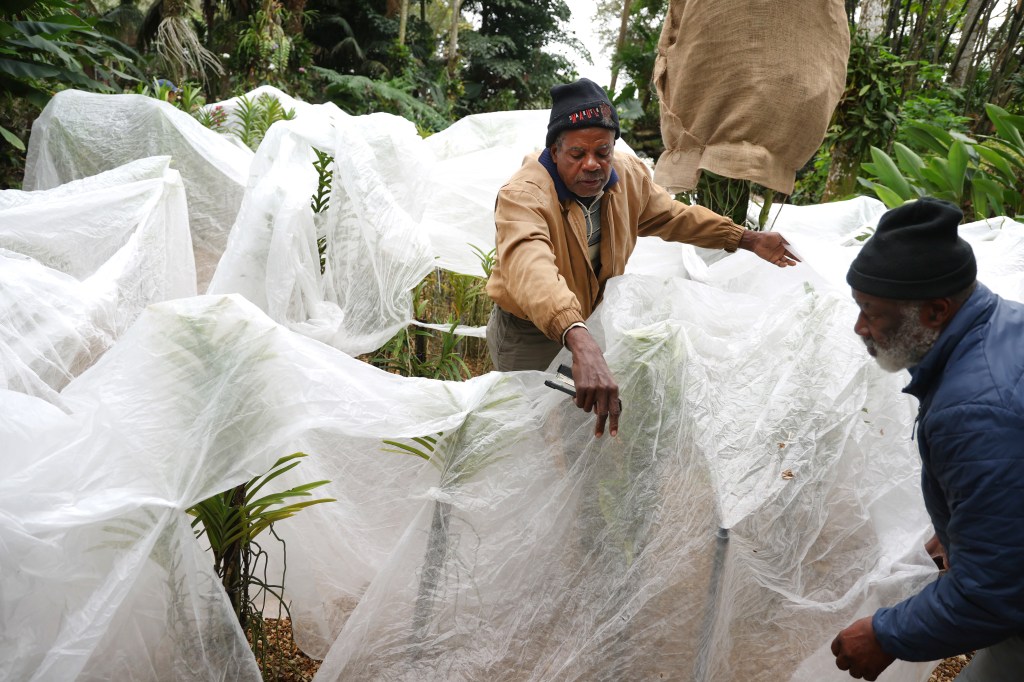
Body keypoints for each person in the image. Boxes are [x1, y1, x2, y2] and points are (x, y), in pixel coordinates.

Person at [485, 77, 797, 438]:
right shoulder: (524, 195)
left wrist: (744, 237)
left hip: (584, 322)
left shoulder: (627, 178)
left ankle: (574, 490)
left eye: (602, 152)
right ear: (554, 152)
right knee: (525, 430)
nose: (592, 164)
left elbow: (671, 216)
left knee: (575, 424)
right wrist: (580, 338)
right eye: (577, 154)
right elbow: (530, 266)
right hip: (529, 331)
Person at [832, 197, 1024, 680]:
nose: (860, 328)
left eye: (871, 312)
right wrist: (968, 524)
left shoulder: (974, 409)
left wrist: (886, 633)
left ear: (936, 311)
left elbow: (995, 592)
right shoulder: (1004, 325)